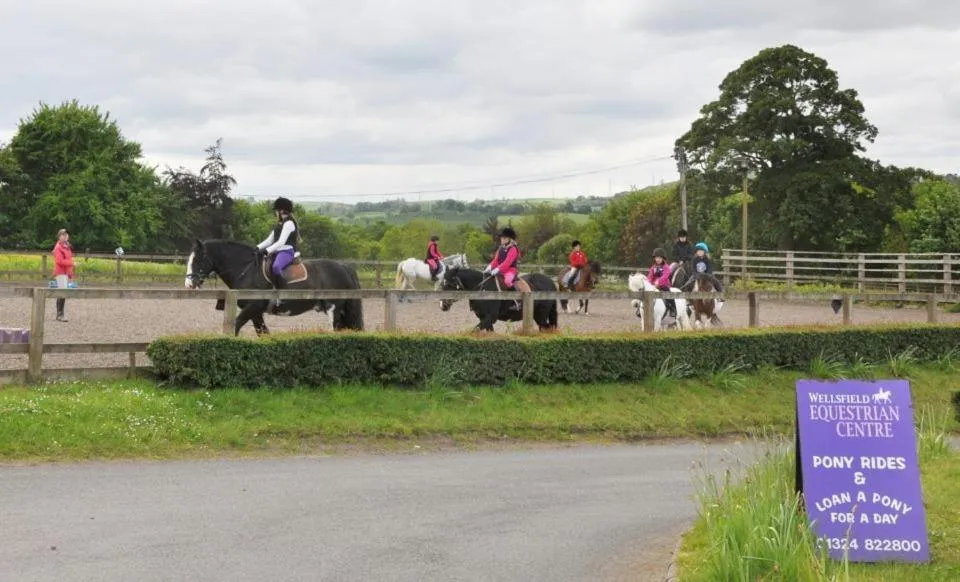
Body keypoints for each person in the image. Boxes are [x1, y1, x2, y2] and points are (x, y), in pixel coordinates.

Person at [257, 197, 300, 307]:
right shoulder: (279, 224)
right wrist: (257, 248)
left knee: (276, 267)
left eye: (276, 210)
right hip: (276, 252)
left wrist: (267, 251)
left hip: (287, 252)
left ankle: (283, 295)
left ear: (281, 210)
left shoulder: (289, 223)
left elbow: (281, 242)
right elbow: (269, 240)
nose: (276, 213)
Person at [483, 226, 532, 309]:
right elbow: (496, 260)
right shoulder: (500, 248)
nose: (502, 239)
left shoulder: (513, 249)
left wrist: (498, 269)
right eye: (501, 238)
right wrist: (490, 267)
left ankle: (517, 301)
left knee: (508, 281)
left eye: (504, 238)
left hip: (510, 270)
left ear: (510, 239)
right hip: (501, 270)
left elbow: (507, 262)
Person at [51, 228, 75, 322]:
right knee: (62, 293)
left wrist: (70, 273)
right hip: (60, 272)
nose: (65, 236)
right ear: (59, 236)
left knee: (63, 293)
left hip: (65, 272)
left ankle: (60, 314)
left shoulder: (67, 246)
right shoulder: (58, 247)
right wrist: (72, 264)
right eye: (63, 235)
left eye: (66, 234)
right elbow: (59, 261)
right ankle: (60, 315)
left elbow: (68, 259)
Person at [647, 247, 676, 318]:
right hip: (654, 286)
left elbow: (665, 276)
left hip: (664, 285)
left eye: (660, 258)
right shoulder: (653, 267)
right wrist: (649, 283)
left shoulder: (666, 267)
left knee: (668, 294)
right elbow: (650, 276)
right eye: (656, 258)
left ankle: (673, 308)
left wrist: (658, 282)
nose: (658, 259)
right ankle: (640, 309)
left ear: (663, 258)